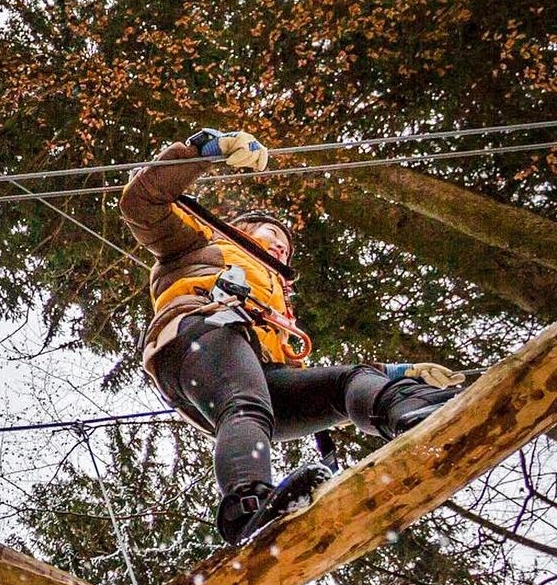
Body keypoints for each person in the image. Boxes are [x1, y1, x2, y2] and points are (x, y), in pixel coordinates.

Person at [120, 129, 462, 545]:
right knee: (244, 404)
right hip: (199, 335)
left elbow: (296, 378)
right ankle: (246, 507)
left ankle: (411, 414)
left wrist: (396, 373)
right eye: (272, 239)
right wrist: (203, 150)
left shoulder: (278, 309)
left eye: (285, 248)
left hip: (254, 373)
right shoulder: (201, 240)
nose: (281, 250)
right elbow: (142, 204)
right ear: (242, 229)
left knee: (344, 383)